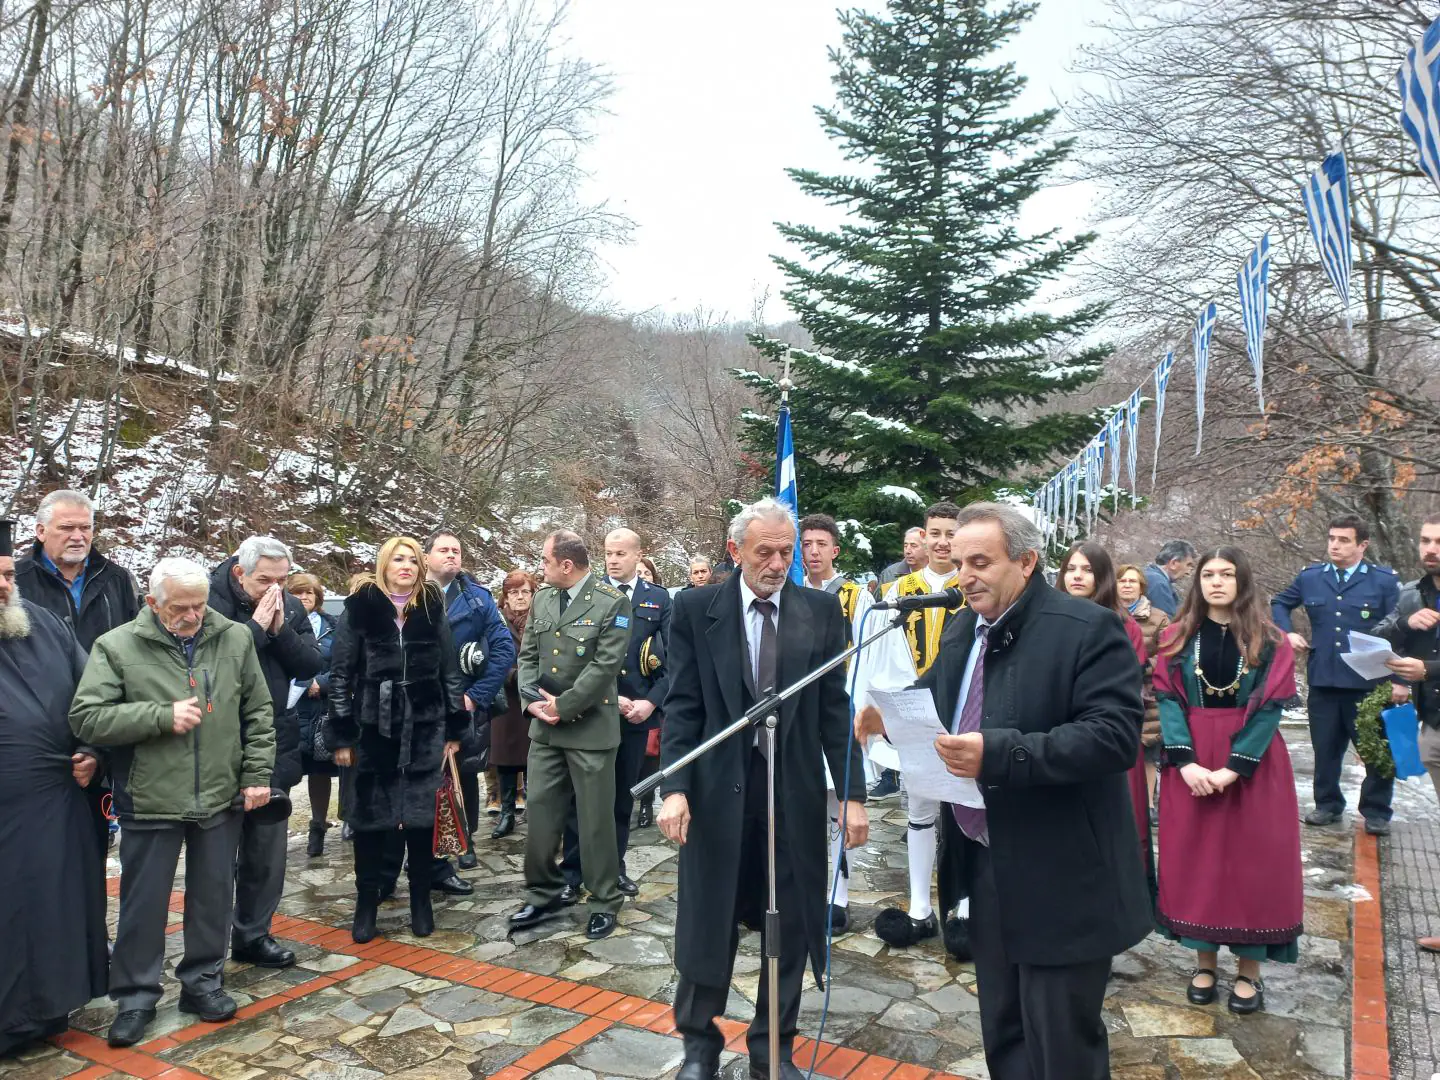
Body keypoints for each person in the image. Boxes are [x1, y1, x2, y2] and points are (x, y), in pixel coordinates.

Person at [858, 502, 1150, 1079]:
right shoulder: (966, 625)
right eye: (960, 561)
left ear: (1026, 561)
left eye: (981, 562)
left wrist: (1000, 752)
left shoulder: (1088, 629)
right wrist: (889, 716)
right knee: (1005, 1029)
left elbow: (1114, 737)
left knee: (1061, 1041)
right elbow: (939, 696)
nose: (966, 575)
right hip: (987, 863)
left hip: (1063, 870)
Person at [659, 497, 868, 1080]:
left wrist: (851, 794)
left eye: (786, 551)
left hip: (791, 792)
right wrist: (674, 787)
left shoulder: (821, 614)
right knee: (708, 918)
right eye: (764, 552)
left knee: (791, 923)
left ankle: (771, 1049)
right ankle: (699, 1045)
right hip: (715, 791)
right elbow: (683, 705)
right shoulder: (697, 609)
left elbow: (834, 709)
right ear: (735, 551)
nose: (778, 563)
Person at [70, 557, 275, 1048]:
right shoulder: (116, 646)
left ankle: (203, 983)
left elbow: (259, 711)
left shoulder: (235, 637)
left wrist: (256, 775)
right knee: (143, 904)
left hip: (221, 794)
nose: (192, 616)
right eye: (179, 608)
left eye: (199, 605)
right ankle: (136, 997)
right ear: (152, 603)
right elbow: (87, 718)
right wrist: (159, 716)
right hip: (149, 797)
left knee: (211, 898)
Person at [1155, 547, 1302, 1015]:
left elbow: (1271, 708)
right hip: (1193, 762)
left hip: (1252, 765)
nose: (1216, 582)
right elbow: (1168, 701)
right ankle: (1204, 963)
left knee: (1250, 864)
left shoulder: (1271, 639)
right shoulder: (1176, 637)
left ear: (1243, 580)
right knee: (1197, 862)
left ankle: (1249, 971)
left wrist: (1234, 768)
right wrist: (1188, 764)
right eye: (1208, 574)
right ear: (1197, 582)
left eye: (1227, 574)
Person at [326, 536, 470, 943]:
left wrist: (455, 728)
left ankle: (421, 900)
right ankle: (366, 903)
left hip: (426, 725)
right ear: (384, 565)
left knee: (421, 820)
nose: (405, 566)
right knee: (371, 820)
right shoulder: (361, 607)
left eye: (411, 560)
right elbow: (341, 674)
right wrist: (342, 732)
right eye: (397, 559)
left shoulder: (431, 606)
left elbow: (449, 671)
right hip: (375, 727)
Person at [0, 519, 107, 1057]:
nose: (2, 586)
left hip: (56, 800)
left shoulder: (39, 623)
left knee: (54, 906)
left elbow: (94, 695)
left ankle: (48, 1009)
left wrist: (93, 751)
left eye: (4, 574)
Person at [853, 500, 967, 951]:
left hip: (963, 711)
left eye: (950, 533)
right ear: (922, 535)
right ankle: (920, 907)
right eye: (934, 532)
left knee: (965, 813)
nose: (942, 542)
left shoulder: (973, 585)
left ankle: (964, 907)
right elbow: (876, 655)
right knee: (919, 812)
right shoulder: (899, 589)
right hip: (913, 712)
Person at [508, 530, 630, 941]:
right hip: (545, 729)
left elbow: (605, 666)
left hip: (591, 729)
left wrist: (564, 706)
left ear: (565, 564)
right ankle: (542, 893)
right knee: (540, 816)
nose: (540, 568)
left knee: (595, 823)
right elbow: (527, 655)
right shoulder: (543, 597)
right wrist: (532, 702)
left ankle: (603, 899)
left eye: (544, 561)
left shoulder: (612, 602)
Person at [209, 536, 322, 970]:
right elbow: (214, 666)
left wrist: (278, 631)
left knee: (265, 851)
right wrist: (255, 629)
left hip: (274, 739)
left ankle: (254, 935)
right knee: (216, 856)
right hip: (219, 743)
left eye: (282, 579)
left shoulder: (289, 606)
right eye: (264, 580)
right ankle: (210, 945)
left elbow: (310, 664)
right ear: (239, 572)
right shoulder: (207, 600)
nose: (274, 589)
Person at [15, 489, 140, 858]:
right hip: (37, 739)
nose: (78, 536)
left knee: (91, 850)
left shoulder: (115, 580)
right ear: (40, 531)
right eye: (66, 527)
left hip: (102, 733)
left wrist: (98, 749)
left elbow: (136, 657)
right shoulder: (16, 581)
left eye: (85, 527)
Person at [1271, 513, 1400, 835]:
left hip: (1370, 682)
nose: (1335, 545)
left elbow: (1402, 628)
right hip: (1325, 678)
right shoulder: (1312, 577)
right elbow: (1279, 604)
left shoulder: (1383, 581)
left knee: (1375, 748)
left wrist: (1401, 679)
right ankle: (1327, 804)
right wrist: (1286, 633)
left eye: (1344, 540)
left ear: (1362, 545)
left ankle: (1376, 810)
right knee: (1326, 748)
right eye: (1332, 538)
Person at [561, 528, 671, 901]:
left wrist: (651, 702)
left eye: (621, 553)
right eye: (608, 552)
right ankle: (572, 872)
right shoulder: (588, 594)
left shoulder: (659, 600)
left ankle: (614, 867)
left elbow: (674, 660)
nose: (613, 559)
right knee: (582, 796)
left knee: (621, 798)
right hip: (593, 712)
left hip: (635, 715)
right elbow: (573, 654)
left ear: (639, 556)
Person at [1057, 543, 1152, 886]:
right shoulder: (1045, 621)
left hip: (1102, 734)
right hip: (1055, 733)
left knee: (1109, 822)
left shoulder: (1125, 627)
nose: (1078, 576)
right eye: (1071, 569)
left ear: (1102, 577)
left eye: (1087, 570)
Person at [799, 512, 876, 933]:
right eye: (806, 543)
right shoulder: (790, 592)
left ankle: (837, 895)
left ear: (835, 550)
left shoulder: (854, 596)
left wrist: (859, 711)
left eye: (820, 544)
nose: (813, 551)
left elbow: (864, 659)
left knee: (837, 807)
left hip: (837, 711)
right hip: (799, 714)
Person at [425, 528, 514, 876]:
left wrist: (476, 697)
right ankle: (427, 844)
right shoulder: (409, 593)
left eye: (457, 551)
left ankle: (466, 840)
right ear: (427, 556)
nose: (451, 555)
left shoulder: (478, 599)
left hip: (464, 701)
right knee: (423, 775)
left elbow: (503, 649)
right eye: (444, 549)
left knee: (464, 771)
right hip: (420, 703)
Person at [1375, 514, 1440, 950]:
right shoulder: (1413, 594)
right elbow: (1377, 636)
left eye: (1438, 541)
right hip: (1433, 726)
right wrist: (1404, 626)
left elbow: (1425, 666)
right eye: (1425, 540)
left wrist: (1428, 670)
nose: (1430, 548)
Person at [287, 573, 340, 857]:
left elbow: (346, 665)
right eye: (297, 592)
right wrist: (305, 683)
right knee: (285, 770)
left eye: (309, 592)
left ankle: (318, 826)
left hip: (322, 711)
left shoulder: (333, 628)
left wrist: (323, 683)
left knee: (320, 772)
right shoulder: (281, 625)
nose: (304, 597)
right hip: (290, 709)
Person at [1117, 563, 1171, 821]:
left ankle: (1149, 804)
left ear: (1141, 587)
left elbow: (1168, 654)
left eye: (1133, 581)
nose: (1127, 585)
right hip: (1114, 688)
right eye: (1123, 581)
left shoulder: (1158, 618)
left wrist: (1142, 666)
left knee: (1147, 750)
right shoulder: (1105, 613)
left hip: (1147, 692)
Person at [491, 570, 539, 838]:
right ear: (505, 597)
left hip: (536, 697)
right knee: (506, 761)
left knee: (536, 759)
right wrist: (516, 676)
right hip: (507, 700)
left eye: (525, 592)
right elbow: (493, 656)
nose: (519, 597)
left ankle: (534, 813)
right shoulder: (497, 621)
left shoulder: (541, 619)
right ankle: (507, 813)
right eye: (514, 592)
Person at [1143, 540, 1197, 618]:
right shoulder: (1159, 583)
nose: (1188, 572)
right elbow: (1164, 623)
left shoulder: (1151, 576)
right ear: (1173, 563)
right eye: (1188, 565)